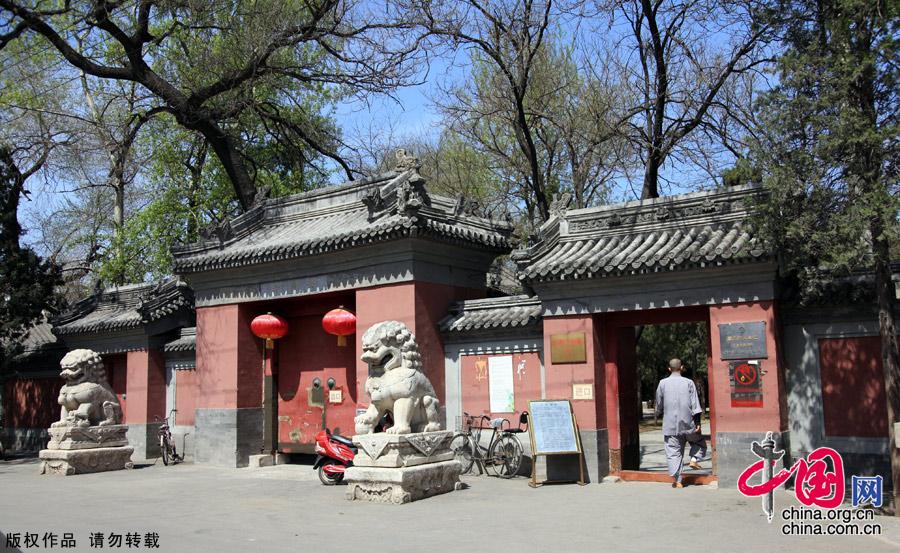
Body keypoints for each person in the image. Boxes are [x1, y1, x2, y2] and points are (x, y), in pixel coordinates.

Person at [655, 358, 707, 488]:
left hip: (670, 424)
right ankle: (694, 459)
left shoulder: (662, 383)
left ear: (669, 369)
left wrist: (660, 412)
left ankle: (678, 481)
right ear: (682, 368)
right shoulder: (689, 382)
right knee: (699, 442)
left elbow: (659, 403)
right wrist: (697, 421)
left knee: (673, 452)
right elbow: (695, 403)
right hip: (688, 423)